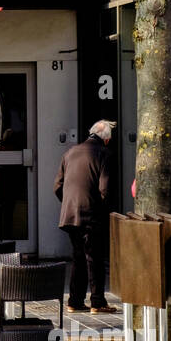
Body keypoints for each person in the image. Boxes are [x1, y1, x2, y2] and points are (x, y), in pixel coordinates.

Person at [54, 120, 116, 313]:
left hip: (70, 215)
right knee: (94, 258)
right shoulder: (104, 154)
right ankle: (97, 302)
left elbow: (57, 186)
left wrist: (70, 203)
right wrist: (102, 209)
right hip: (91, 215)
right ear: (106, 140)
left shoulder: (70, 152)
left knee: (79, 256)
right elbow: (104, 190)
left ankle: (75, 300)